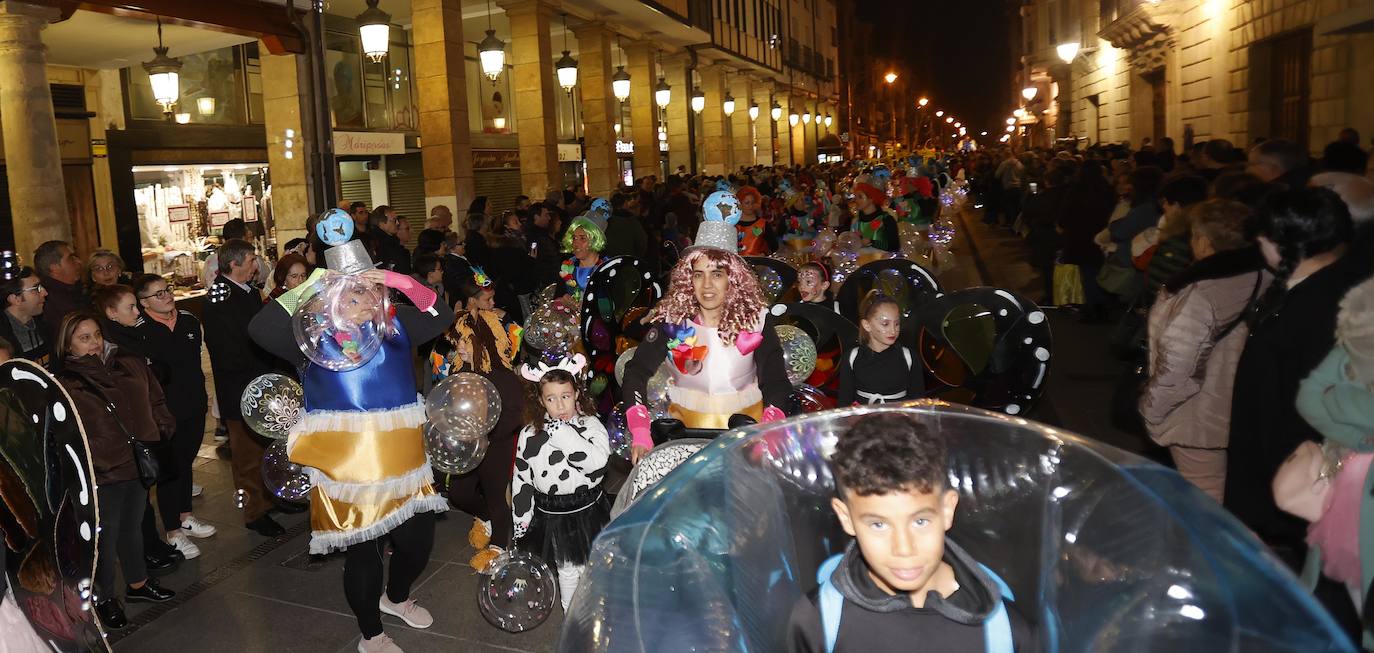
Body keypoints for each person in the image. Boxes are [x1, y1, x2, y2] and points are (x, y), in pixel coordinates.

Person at [249, 228, 452, 653]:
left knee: (418, 543)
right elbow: (260, 327)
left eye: (368, 292)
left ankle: (395, 598)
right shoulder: (309, 338)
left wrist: (400, 283)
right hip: (348, 468)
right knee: (365, 556)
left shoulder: (396, 327)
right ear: (329, 299)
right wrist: (309, 283)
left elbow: (441, 315)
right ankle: (371, 634)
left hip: (404, 460)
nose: (363, 303)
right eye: (351, 294)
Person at [786, 412, 1033, 653]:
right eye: (878, 525)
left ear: (947, 510)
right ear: (846, 518)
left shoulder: (1007, 632)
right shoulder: (818, 622)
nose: (904, 549)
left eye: (920, 521)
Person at [1225, 187, 1363, 559]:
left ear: (1287, 241)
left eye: (1264, 235)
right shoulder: (1342, 286)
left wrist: (1258, 505)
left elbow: (1286, 411)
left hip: (1302, 488)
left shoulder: (1315, 309)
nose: (1257, 242)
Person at [620, 191, 792, 462]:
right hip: (683, 442)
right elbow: (636, 371)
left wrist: (769, 428)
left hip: (745, 439)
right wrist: (640, 430)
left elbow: (776, 382)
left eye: (717, 274)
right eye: (698, 275)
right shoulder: (672, 321)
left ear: (732, 280)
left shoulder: (756, 320)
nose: (707, 285)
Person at [1139, 200, 1269, 502]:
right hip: (1242, 406)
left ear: (1204, 241)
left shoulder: (1202, 292)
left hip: (1199, 415)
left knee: (1204, 499)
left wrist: (1152, 410)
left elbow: (1179, 364)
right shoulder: (1263, 276)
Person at [56, 311, 177, 630]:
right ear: (68, 346)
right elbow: (65, 435)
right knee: (103, 540)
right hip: (104, 470)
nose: (94, 343)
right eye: (84, 338)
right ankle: (104, 597)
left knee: (133, 528)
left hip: (139, 461)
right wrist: (95, 459)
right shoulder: (67, 383)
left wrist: (163, 427)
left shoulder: (128, 362)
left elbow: (155, 396)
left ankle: (138, 585)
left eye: (96, 335)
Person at [431, 271, 525, 573]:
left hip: (497, 445)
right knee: (459, 494)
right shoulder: (458, 375)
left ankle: (500, 545)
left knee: (498, 495)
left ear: (482, 341)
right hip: (468, 447)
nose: (459, 348)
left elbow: (516, 411)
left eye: (465, 342)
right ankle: (485, 517)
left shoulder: (502, 376)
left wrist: (489, 431)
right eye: (457, 341)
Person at [511, 366, 611, 612]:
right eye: (551, 398)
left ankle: (594, 614)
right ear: (541, 401)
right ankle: (570, 616)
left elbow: (597, 464)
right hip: (554, 515)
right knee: (566, 569)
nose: (560, 405)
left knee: (591, 566)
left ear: (576, 393)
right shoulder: (530, 434)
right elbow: (522, 478)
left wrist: (564, 434)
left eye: (565, 396)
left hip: (587, 509)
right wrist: (521, 518)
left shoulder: (591, 425)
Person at [203, 239, 284, 537]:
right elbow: (229, 351)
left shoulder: (248, 291)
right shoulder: (219, 300)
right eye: (251, 259)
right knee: (247, 456)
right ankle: (254, 511)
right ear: (234, 264)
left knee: (267, 447)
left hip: (261, 384)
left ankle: (273, 497)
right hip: (240, 388)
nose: (257, 263)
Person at [134, 273, 216, 558]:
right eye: (158, 294)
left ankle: (184, 515)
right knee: (170, 469)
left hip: (193, 403)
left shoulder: (189, 321)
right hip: (163, 412)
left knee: (185, 462)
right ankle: (172, 531)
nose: (167, 296)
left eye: (167, 290)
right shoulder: (140, 331)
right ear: (143, 302)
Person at [837, 293, 922, 406]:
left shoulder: (909, 357)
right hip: (864, 421)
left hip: (900, 421)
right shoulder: (852, 357)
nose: (893, 331)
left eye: (897, 324)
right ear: (867, 325)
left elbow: (919, 403)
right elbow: (844, 403)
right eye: (885, 324)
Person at [0, 255, 51, 364]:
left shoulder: (46, 322)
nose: (44, 292)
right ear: (15, 299)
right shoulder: (3, 340)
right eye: (36, 288)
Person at [202, 219, 270, 288]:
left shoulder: (210, 259)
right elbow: (267, 276)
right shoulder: (252, 259)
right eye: (249, 237)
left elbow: (204, 282)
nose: (255, 266)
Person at [33, 239, 85, 329]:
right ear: (54, 268)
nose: (79, 262)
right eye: (71, 258)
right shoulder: (50, 301)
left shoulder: (78, 290)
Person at [559, 217, 606, 303]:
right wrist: (565, 298)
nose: (575, 244)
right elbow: (561, 295)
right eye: (574, 238)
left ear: (595, 240)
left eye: (582, 238)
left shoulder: (607, 267)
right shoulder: (568, 266)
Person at [851, 183, 898, 252]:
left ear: (871, 199)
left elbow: (894, 247)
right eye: (855, 197)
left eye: (860, 197)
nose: (856, 200)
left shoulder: (886, 219)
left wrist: (872, 242)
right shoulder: (856, 222)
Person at [603, 192, 648, 259]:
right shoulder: (632, 221)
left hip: (609, 260)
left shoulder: (604, 221)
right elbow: (641, 244)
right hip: (628, 261)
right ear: (624, 204)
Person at [369, 205, 411, 274]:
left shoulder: (391, 241)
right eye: (394, 220)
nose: (397, 223)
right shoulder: (377, 243)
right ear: (381, 223)